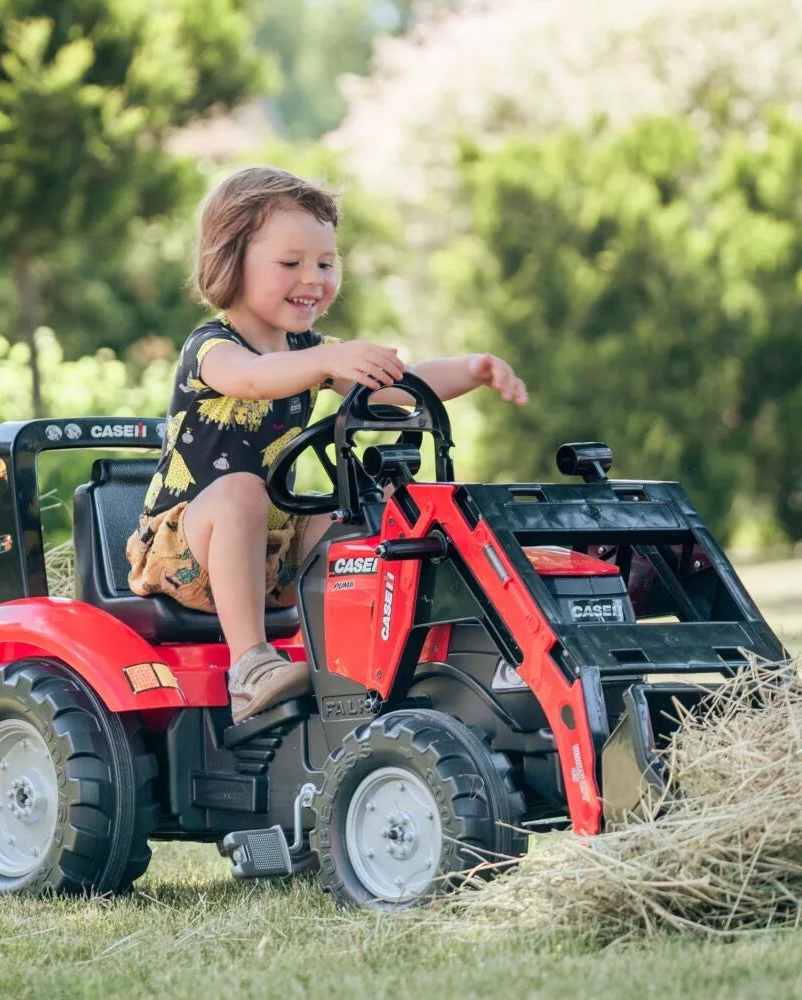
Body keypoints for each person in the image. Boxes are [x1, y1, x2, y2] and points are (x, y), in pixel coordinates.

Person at [127, 166, 528, 724]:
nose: (313, 278)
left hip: (271, 546)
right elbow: (254, 378)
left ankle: (378, 660)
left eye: (325, 262)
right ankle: (249, 667)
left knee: (359, 518)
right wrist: (325, 360)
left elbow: (397, 388)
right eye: (290, 264)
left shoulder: (309, 350)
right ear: (231, 261)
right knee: (241, 492)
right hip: (183, 549)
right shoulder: (212, 348)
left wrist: (470, 369)